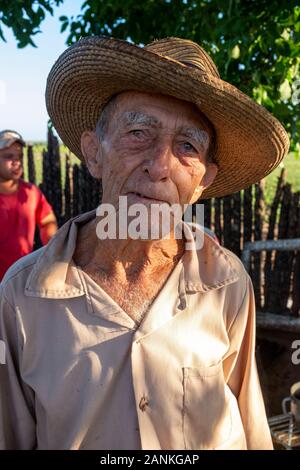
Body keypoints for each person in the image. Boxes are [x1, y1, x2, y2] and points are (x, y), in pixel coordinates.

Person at [0, 37, 289, 450]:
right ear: (93, 153)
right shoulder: (20, 299)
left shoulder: (226, 282)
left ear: (202, 181)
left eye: (187, 146)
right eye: (138, 133)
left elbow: (249, 420)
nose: (159, 166)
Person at [0, 130, 58, 281]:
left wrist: (52, 252)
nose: (16, 161)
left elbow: (47, 221)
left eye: (19, 157)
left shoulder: (31, 193)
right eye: (8, 157)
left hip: (20, 281)